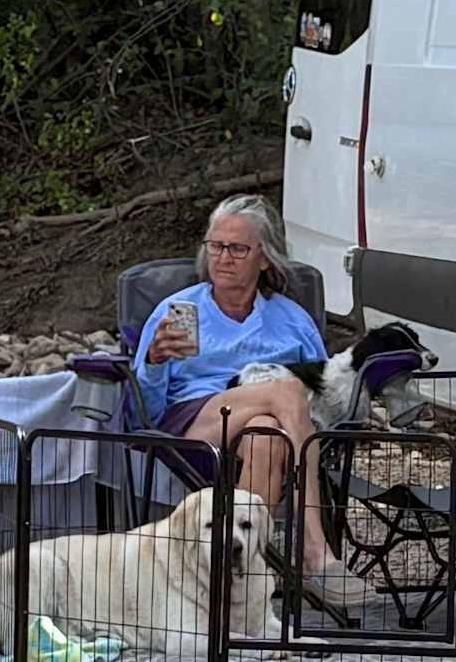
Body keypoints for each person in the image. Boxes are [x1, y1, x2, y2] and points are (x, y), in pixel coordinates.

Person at [134, 195, 328, 529]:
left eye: (237, 249)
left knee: (265, 434)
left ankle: (239, 567)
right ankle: (314, 540)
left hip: (273, 432)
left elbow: (324, 390)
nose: (224, 258)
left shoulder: (293, 320)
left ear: (264, 259)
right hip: (194, 424)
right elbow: (145, 411)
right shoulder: (175, 309)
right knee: (284, 390)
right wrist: (154, 360)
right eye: (216, 246)